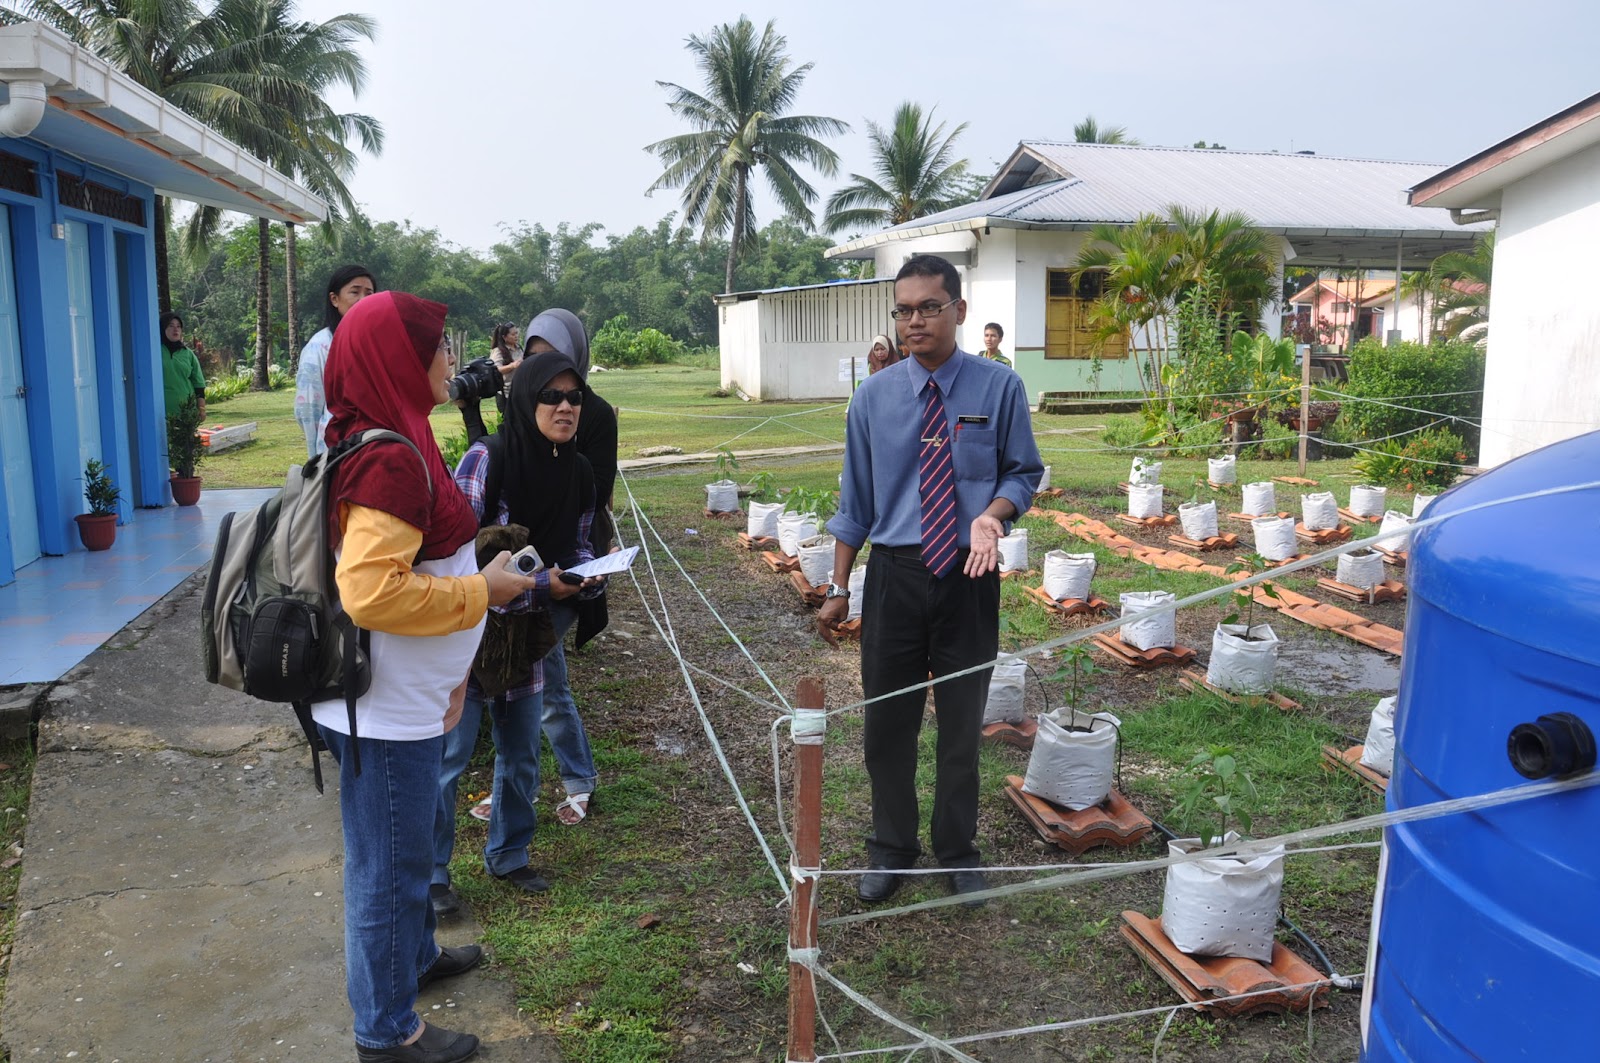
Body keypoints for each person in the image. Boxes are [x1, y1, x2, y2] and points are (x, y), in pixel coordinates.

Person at [315, 290, 538, 1063]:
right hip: (382, 709)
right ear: (396, 360)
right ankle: (386, 1031)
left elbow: (416, 559)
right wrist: (486, 590)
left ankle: (412, 960)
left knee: (399, 857)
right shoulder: (387, 456)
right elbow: (370, 590)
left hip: (399, 695)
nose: (454, 360)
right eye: (439, 347)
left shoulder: (388, 432)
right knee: (387, 868)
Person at [818, 254, 1042, 906]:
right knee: (887, 724)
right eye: (905, 309)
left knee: (961, 721)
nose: (916, 320)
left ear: (960, 311)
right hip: (894, 576)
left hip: (968, 574)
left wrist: (992, 517)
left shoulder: (998, 389)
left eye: (929, 307)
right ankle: (891, 846)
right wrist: (838, 587)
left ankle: (957, 848)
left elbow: (1022, 473)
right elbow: (855, 502)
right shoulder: (872, 399)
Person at [432, 349, 604, 914]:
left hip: (531, 633)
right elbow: (457, 551)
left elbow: (579, 540)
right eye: (550, 396)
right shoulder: (490, 456)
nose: (564, 407)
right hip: (471, 628)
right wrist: (539, 585)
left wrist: (584, 575)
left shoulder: (578, 469)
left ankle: (508, 853)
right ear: (526, 399)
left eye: (574, 397)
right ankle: (432, 876)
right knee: (451, 755)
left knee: (522, 747)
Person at [295, 264, 377, 457]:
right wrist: (317, 457)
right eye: (354, 292)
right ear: (334, 299)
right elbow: (308, 409)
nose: (363, 300)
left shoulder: (380, 344)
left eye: (370, 293)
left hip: (378, 446)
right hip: (337, 451)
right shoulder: (320, 347)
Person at [159, 311, 206, 421]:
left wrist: (201, 409)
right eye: (171, 326)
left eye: (178, 326)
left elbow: (199, 384)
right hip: (161, 413)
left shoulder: (188, 353)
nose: (176, 329)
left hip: (186, 412)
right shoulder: (154, 352)